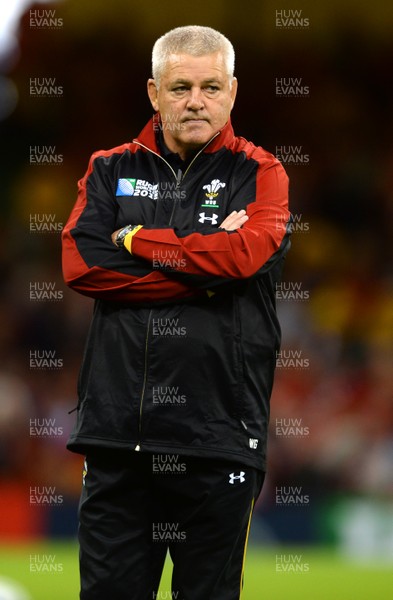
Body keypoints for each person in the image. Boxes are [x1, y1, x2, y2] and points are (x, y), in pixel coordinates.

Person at [62, 25, 291, 600]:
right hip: (118, 438)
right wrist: (205, 273)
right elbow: (83, 267)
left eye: (211, 87)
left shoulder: (261, 173)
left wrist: (137, 241)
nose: (196, 100)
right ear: (153, 92)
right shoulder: (109, 168)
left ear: (233, 92)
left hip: (217, 438)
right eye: (180, 86)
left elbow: (244, 256)